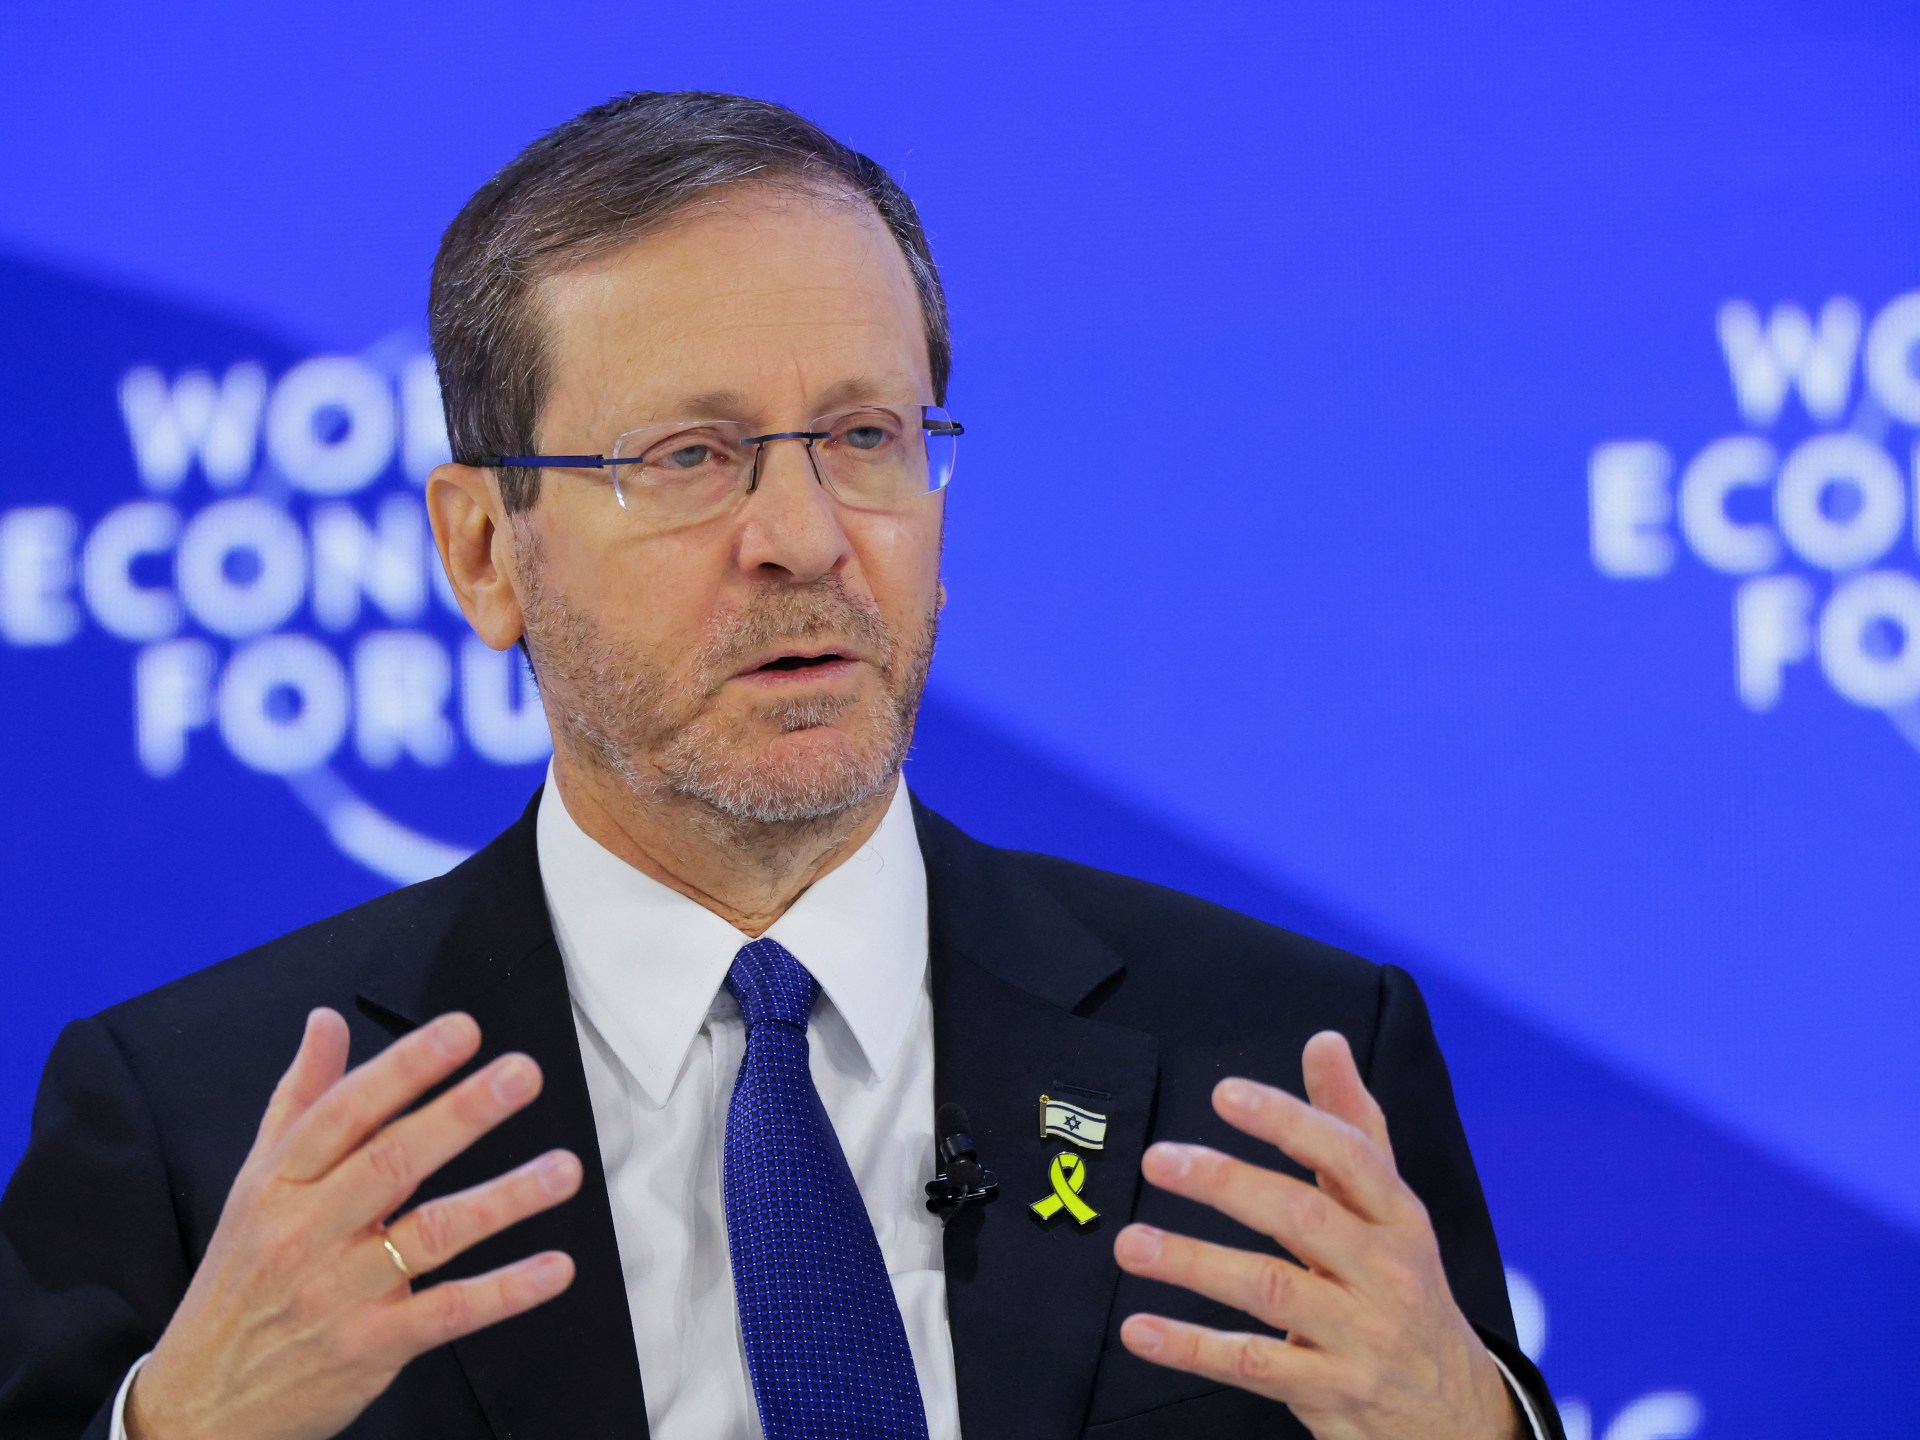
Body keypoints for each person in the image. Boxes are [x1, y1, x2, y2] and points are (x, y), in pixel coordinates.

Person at [0, 91, 1563, 1440]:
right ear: (483, 551)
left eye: (865, 436)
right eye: (690, 457)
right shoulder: (206, 1125)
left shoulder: (1278, 1066)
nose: (805, 538)